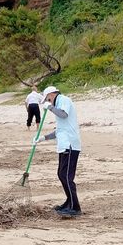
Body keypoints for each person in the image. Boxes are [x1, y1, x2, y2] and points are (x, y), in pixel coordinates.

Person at [33, 86, 82, 217]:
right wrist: (43, 138)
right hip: (64, 145)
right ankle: (69, 202)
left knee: (66, 176)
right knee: (61, 174)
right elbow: (59, 130)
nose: (47, 101)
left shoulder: (63, 99)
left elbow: (64, 114)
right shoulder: (57, 104)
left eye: (47, 99)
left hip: (70, 145)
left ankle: (75, 207)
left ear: (51, 94)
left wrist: (50, 108)